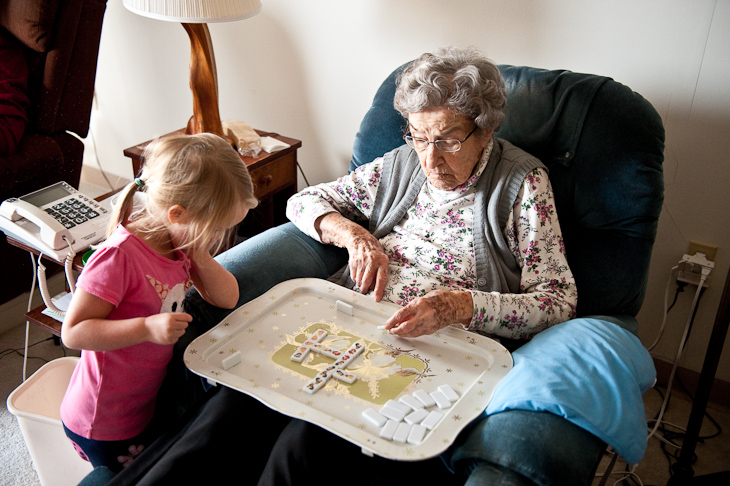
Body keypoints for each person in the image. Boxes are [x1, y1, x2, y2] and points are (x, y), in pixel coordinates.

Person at [59, 133, 258, 473]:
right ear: (177, 213)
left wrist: (199, 253)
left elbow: (228, 298)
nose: (213, 239)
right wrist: (146, 327)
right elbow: (74, 332)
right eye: (213, 230)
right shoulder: (117, 258)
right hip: (103, 420)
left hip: (141, 405)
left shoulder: (178, 242)